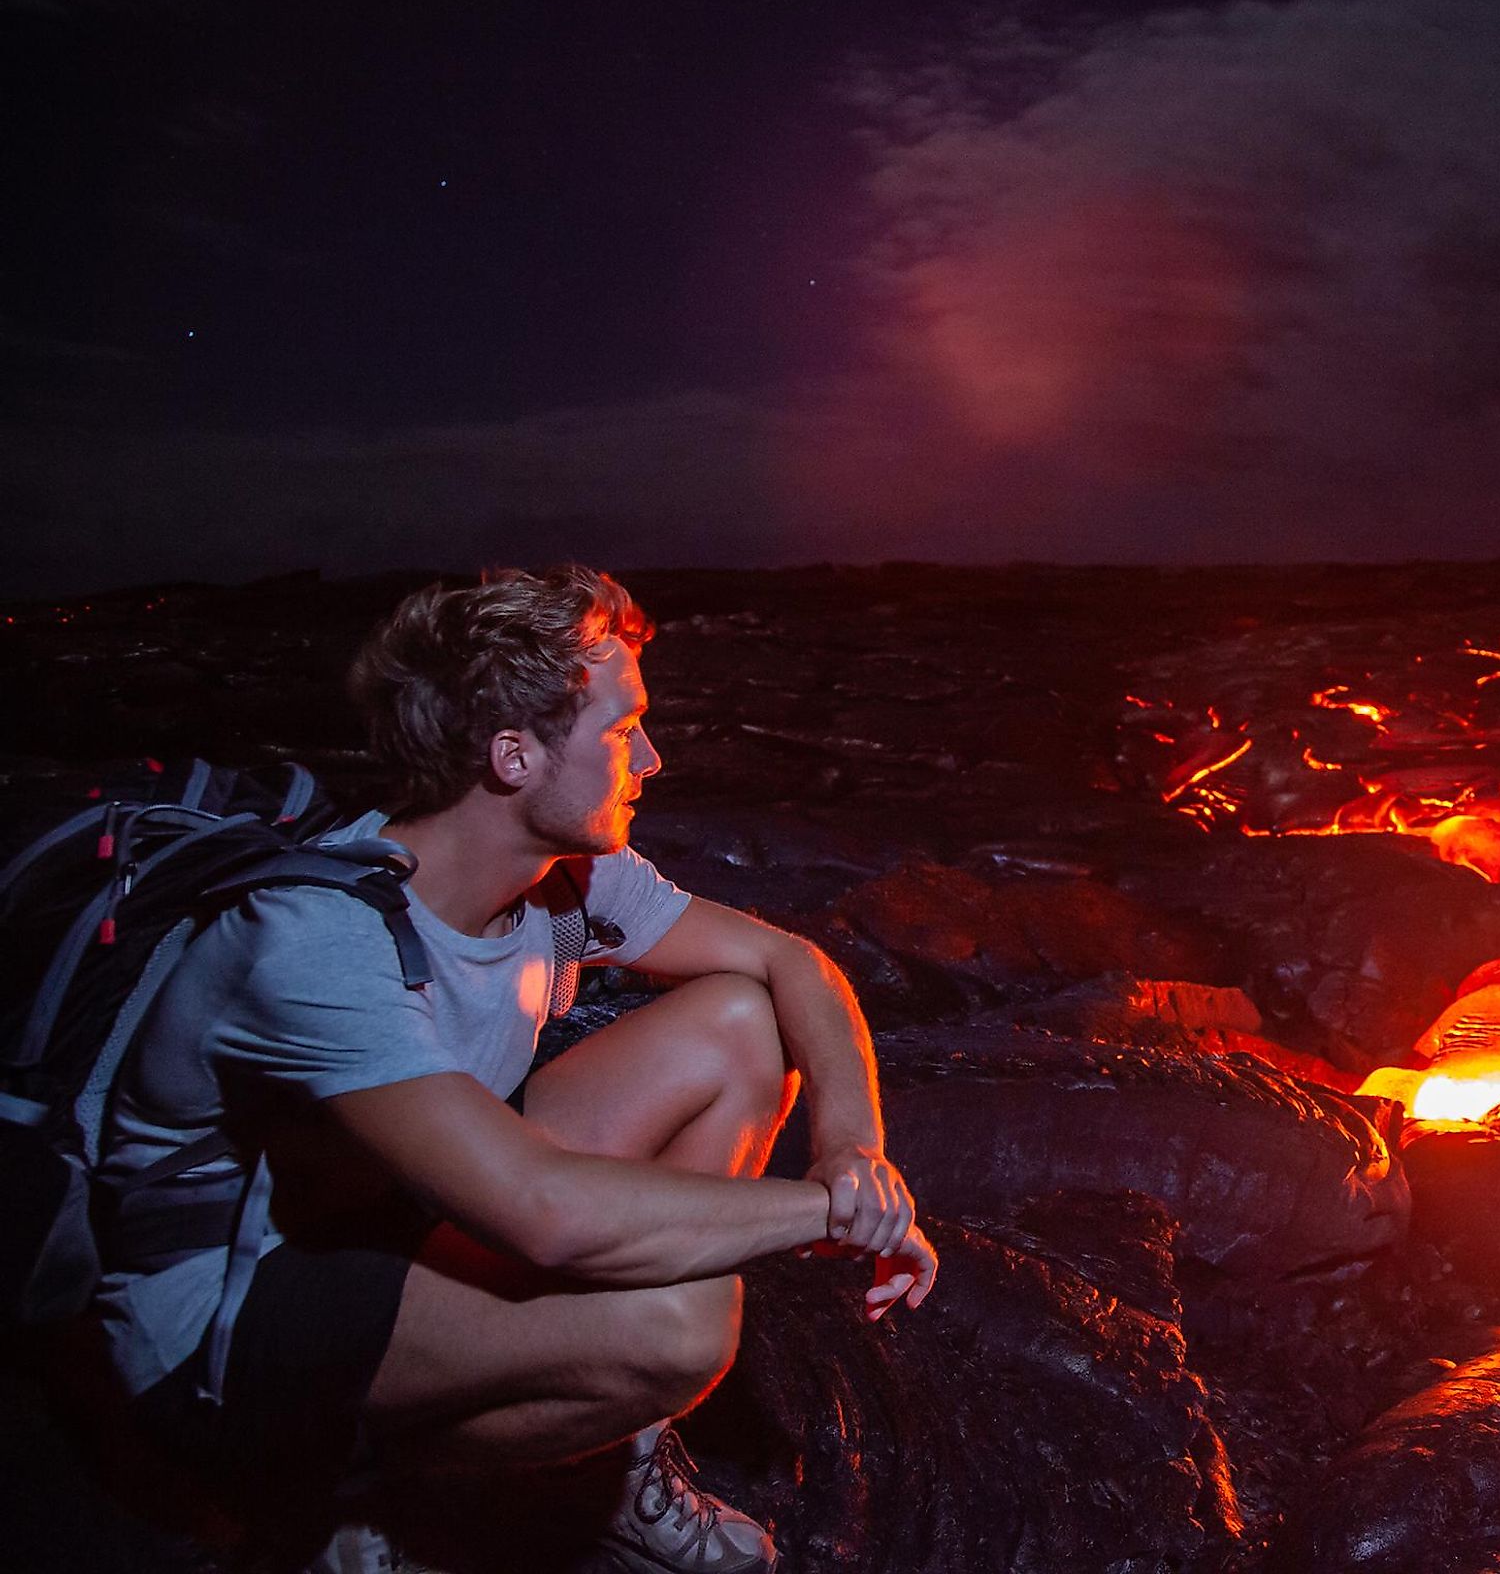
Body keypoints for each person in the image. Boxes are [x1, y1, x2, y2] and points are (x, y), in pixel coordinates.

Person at [91, 565, 935, 1573]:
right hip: (228, 1316)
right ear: (513, 754)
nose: (652, 760)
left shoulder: (564, 874)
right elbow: (540, 1210)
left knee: (740, 1023)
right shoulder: (318, 942)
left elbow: (791, 962)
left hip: (400, 1198)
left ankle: (607, 1450)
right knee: (682, 1322)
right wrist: (830, 1214)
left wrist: (854, 1152)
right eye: (623, 732)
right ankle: (356, 1502)